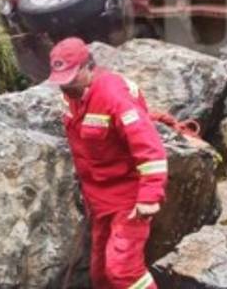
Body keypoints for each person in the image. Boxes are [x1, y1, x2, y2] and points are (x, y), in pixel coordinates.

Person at [49, 37, 168, 289]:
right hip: (99, 199)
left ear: (88, 67)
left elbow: (150, 148)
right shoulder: (70, 96)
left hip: (128, 198)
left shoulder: (113, 96)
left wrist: (149, 197)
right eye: (61, 81)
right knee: (100, 274)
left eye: (70, 79)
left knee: (123, 271)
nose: (65, 87)